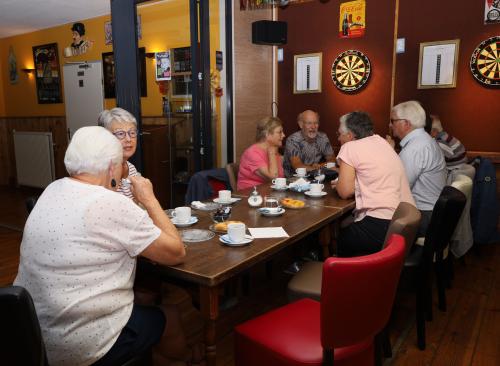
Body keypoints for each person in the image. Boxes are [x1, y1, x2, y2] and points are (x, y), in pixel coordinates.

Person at [14, 126, 187, 366]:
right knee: (171, 317)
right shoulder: (110, 203)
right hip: (81, 344)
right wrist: (148, 198)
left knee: (141, 303)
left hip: (32, 334)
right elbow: (176, 253)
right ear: (110, 167)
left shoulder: (52, 189)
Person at [332, 111, 415, 257]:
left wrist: (340, 184)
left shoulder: (350, 147)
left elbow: (345, 192)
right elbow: (377, 178)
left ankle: (338, 275)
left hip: (380, 225)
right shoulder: (382, 142)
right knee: (345, 225)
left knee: (338, 240)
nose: (338, 139)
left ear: (350, 135)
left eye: (340, 134)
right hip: (403, 223)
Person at [388, 101, 447, 236]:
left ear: (406, 123)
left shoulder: (415, 148)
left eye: (393, 120)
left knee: (372, 229)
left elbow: (398, 188)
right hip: (433, 213)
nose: (390, 125)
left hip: (424, 215)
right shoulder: (424, 140)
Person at [98, 107, 139, 200]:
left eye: (132, 132)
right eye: (120, 134)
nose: (129, 139)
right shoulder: (100, 171)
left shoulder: (131, 168)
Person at [237, 116, 285, 190]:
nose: (283, 135)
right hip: (251, 195)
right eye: (279, 132)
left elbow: (280, 177)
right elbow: (274, 179)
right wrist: (272, 153)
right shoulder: (252, 153)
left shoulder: (274, 150)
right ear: (267, 134)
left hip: (268, 193)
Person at [283, 110, 335, 177]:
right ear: (301, 124)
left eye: (316, 123)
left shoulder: (323, 138)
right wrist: (317, 169)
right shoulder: (293, 140)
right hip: (293, 181)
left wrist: (320, 165)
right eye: (309, 123)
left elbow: (332, 160)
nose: (313, 127)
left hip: (317, 179)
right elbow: (298, 166)